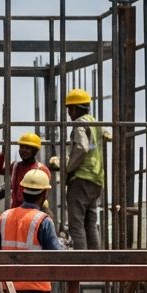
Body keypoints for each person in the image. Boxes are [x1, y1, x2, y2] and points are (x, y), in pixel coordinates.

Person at [51, 88, 105, 249]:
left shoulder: (79, 123)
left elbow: (81, 147)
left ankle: (81, 264)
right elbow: (105, 134)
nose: (68, 113)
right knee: (90, 223)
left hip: (81, 178)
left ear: (74, 108)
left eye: (69, 109)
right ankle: (95, 263)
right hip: (96, 179)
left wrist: (67, 167)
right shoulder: (95, 122)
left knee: (76, 224)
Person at [0, 133, 51, 210]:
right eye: (21, 147)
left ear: (35, 151)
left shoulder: (41, 169)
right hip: (16, 208)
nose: (23, 150)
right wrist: (3, 154)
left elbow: (45, 192)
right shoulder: (15, 166)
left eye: (27, 148)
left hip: (33, 210)